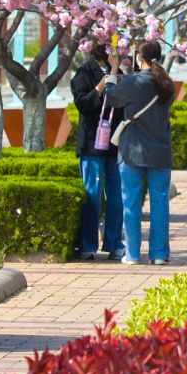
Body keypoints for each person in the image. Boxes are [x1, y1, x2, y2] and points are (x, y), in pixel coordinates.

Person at [106, 40, 175, 266]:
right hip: (160, 151)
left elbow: (112, 98)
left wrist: (113, 73)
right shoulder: (166, 84)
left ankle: (133, 254)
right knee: (160, 203)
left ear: (139, 58)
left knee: (132, 203)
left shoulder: (133, 82)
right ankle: (159, 254)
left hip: (132, 151)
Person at [69, 39, 124, 260]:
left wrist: (114, 72)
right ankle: (88, 245)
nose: (113, 51)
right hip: (92, 143)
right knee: (92, 193)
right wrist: (100, 87)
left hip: (113, 143)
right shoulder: (83, 73)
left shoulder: (118, 72)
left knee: (116, 195)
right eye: (109, 46)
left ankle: (114, 243)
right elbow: (83, 104)